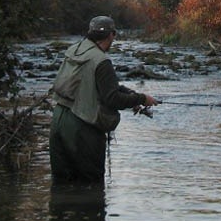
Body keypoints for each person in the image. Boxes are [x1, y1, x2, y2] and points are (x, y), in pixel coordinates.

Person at [48, 15, 159, 183]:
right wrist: (142, 98)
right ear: (112, 35)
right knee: (90, 186)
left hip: (58, 120)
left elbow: (101, 85)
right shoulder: (101, 61)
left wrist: (131, 95)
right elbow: (112, 98)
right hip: (82, 127)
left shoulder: (75, 50)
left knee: (61, 183)